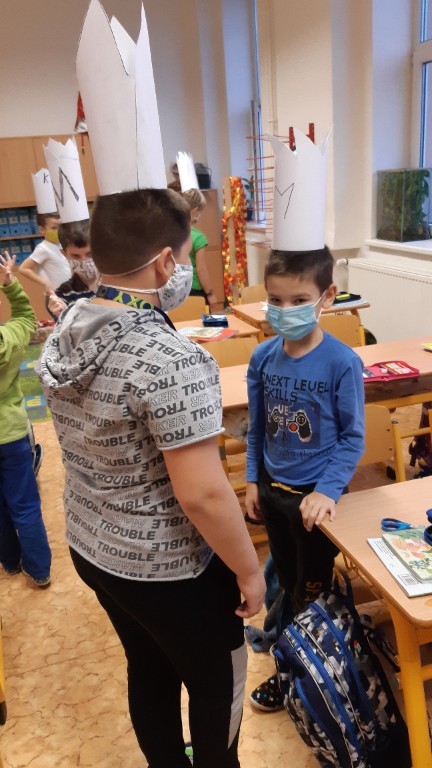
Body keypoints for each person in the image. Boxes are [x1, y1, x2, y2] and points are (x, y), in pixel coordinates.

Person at [38, 188, 265, 768]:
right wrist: (248, 570)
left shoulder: (67, 324)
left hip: (92, 545)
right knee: (217, 684)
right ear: (166, 262)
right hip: (167, 566)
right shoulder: (172, 359)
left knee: (149, 664)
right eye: (184, 256)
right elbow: (204, 495)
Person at [245, 246, 365, 711]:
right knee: (285, 573)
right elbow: (257, 428)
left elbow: (352, 438)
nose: (285, 311)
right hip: (273, 493)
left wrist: (327, 491)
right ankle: (292, 646)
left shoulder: (341, 362)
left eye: (299, 300)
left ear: (327, 296)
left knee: (309, 591)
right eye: (276, 300)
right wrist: (252, 480)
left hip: (316, 503)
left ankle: (294, 672)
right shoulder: (262, 358)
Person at [0, 251, 52, 587]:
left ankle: (10, 562)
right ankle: (40, 571)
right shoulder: (10, 339)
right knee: (25, 505)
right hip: (13, 434)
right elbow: (25, 315)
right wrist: (10, 284)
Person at [47, 219, 98, 319]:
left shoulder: (117, 284)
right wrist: (62, 316)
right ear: (64, 254)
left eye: (89, 254)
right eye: (75, 256)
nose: (84, 261)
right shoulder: (64, 294)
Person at [18, 211, 71, 299]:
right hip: (56, 296)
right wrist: (44, 282)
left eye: (60, 227)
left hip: (69, 293)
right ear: (42, 230)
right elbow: (23, 268)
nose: (58, 231)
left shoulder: (62, 245)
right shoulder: (43, 248)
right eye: (54, 228)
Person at [181, 188, 217, 308]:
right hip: (195, 289)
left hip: (177, 288)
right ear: (195, 210)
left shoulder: (172, 233)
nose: (200, 215)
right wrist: (210, 293)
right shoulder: (198, 237)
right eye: (200, 211)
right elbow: (201, 269)